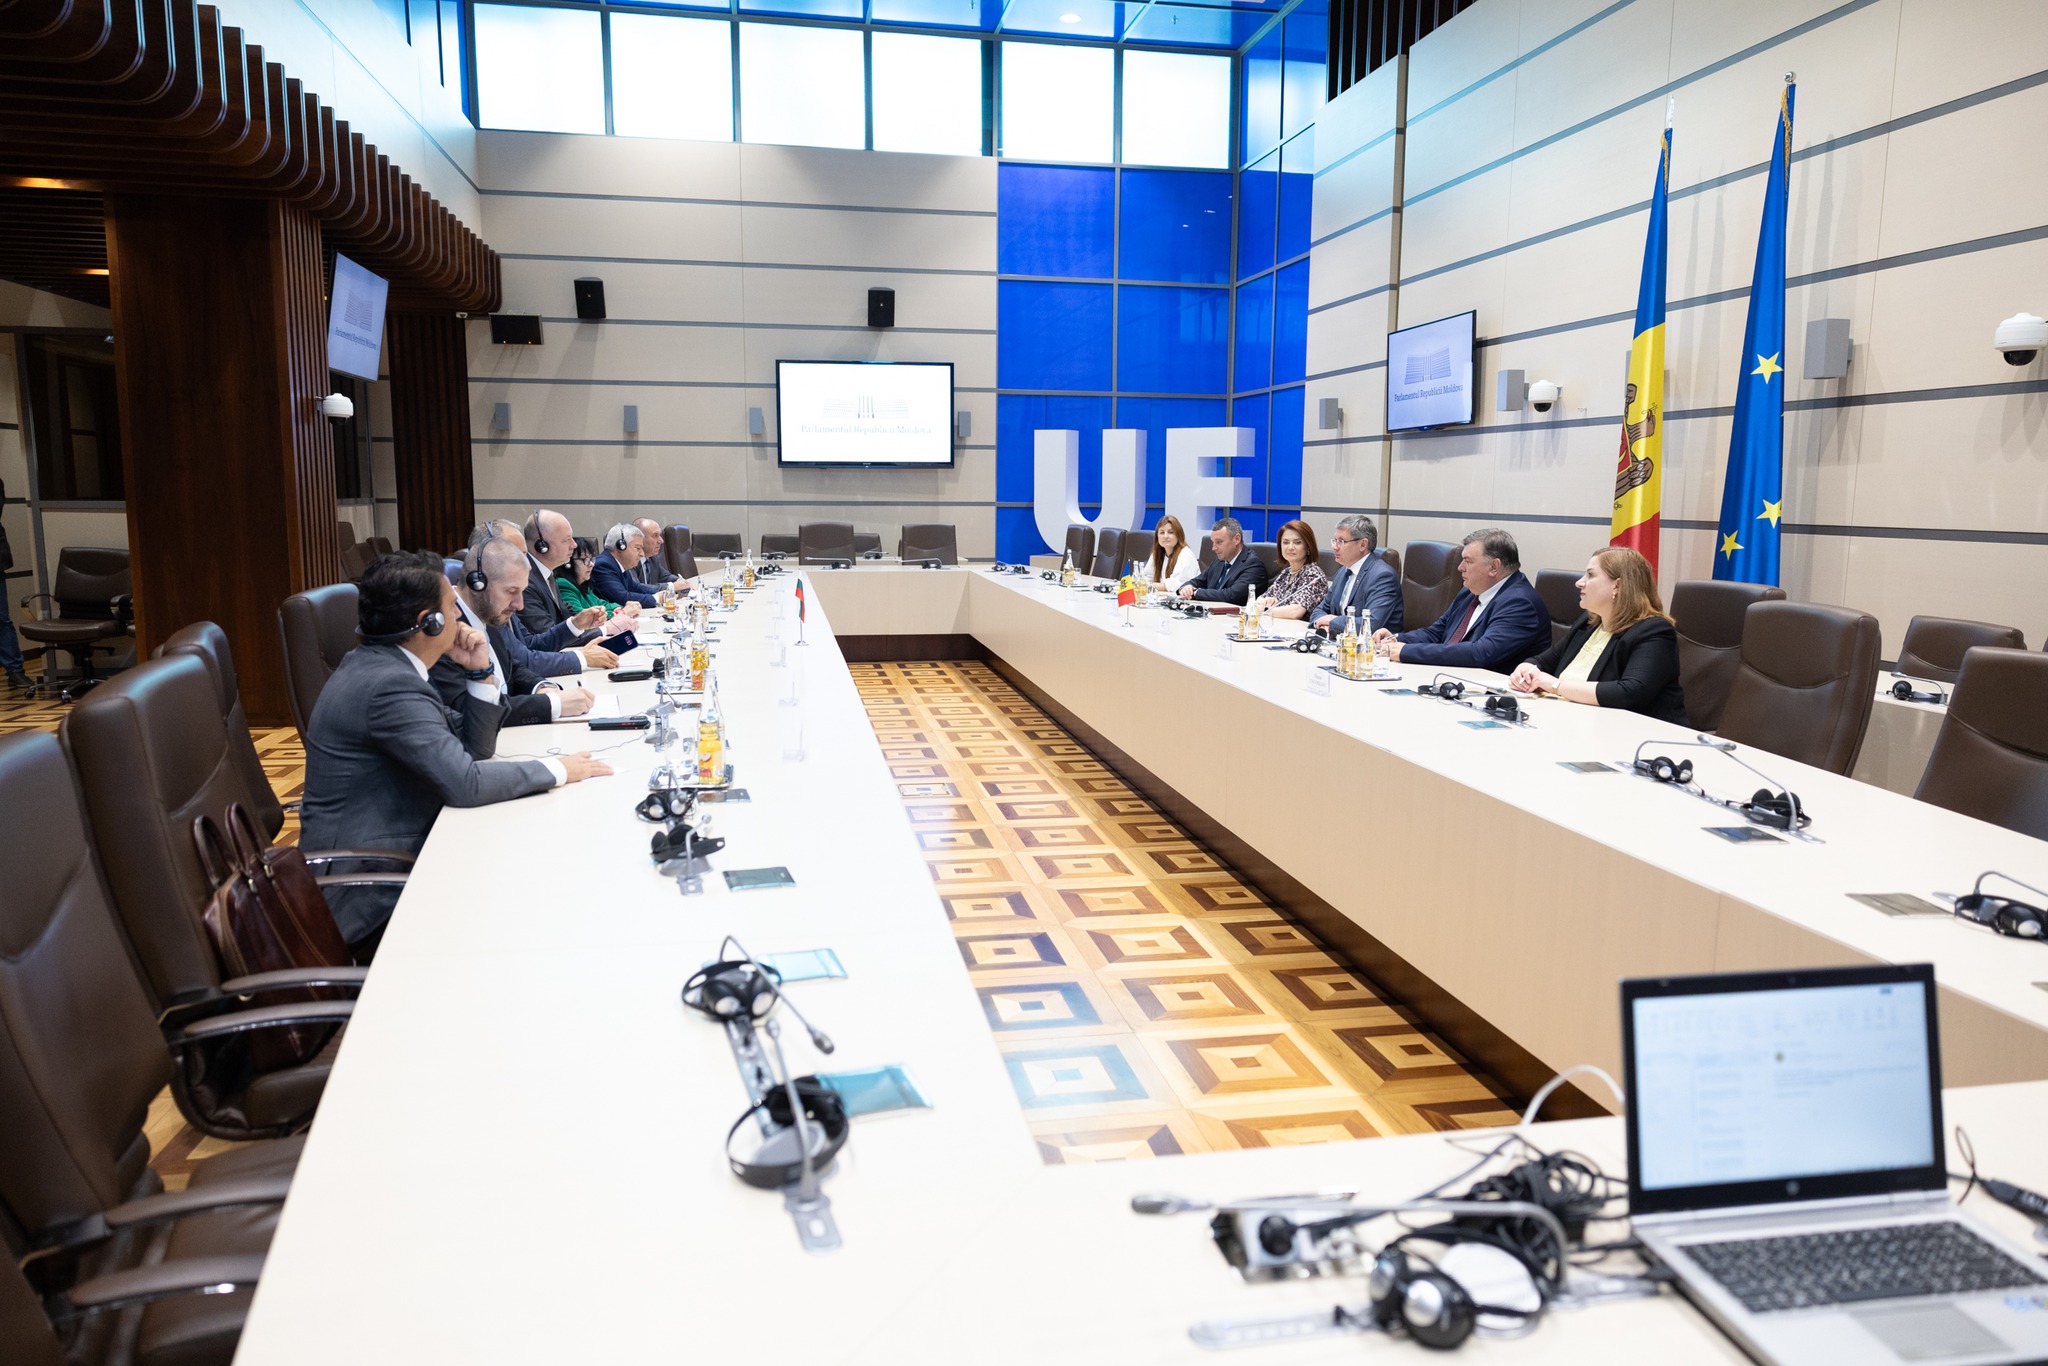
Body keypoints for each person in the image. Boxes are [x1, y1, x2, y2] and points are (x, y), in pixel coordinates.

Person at [300, 550, 611, 958]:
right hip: (371, 894)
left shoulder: (387, 668)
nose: (460, 616)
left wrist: (479, 672)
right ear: (428, 622)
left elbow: (474, 748)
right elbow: (465, 783)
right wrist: (560, 769)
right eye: (451, 607)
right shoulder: (389, 686)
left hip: (400, 859)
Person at [1508, 547, 1687, 724]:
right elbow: (1542, 661)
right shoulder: (1588, 623)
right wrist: (1525, 670)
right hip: (1572, 722)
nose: (1579, 583)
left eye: (1590, 575)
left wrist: (1555, 686)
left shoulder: (1654, 631)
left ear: (1617, 585)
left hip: (1635, 732)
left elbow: (1629, 692)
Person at [431, 539, 595, 727]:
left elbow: (512, 668)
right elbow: (468, 709)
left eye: (522, 592)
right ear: (477, 584)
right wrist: (552, 704)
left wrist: (542, 687)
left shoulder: (488, 614)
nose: (520, 605)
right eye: (511, 591)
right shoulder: (443, 631)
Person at [1375, 527, 1550, 672]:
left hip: (1495, 694)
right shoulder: (1469, 592)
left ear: (1494, 566)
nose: (1460, 568)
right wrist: (1395, 639)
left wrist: (1406, 651)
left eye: (1467, 561)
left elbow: (1480, 653)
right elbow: (1436, 633)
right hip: (1455, 680)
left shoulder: (1520, 603)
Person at [472, 522, 619, 679]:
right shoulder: (490, 604)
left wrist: (575, 624)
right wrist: (581, 658)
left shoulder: (506, 594)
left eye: (525, 555)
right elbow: (523, 661)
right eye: (518, 556)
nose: (527, 563)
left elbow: (531, 644)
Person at [1312, 515, 1402, 635]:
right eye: (1334, 540)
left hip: (1376, 645)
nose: (1334, 547)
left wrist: (1332, 622)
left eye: (1341, 541)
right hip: (1340, 641)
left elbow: (1371, 624)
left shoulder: (1383, 576)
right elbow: (1319, 610)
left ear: (1363, 544)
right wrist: (1323, 625)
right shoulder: (1342, 572)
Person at [1177, 517, 1271, 604]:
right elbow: (1198, 581)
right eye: (1213, 542)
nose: (1213, 548)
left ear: (1237, 539)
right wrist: (1186, 588)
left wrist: (1196, 592)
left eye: (1219, 542)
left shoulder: (1253, 565)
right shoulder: (1220, 560)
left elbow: (1231, 595)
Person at [591, 524, 676, 610]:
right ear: (621, 546)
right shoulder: (603, 565)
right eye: (638, 548)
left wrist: (665, 593)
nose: (642, 554)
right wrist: (656, 598)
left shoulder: (618, 564)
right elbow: (622, 598)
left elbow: (636, 588)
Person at [1257, 520, 1330, 621]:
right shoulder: (1286, 573)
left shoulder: (1314, 575)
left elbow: (1295, 612)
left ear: (1308, 547)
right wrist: (1267, 601)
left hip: (1301, 629)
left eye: (1297, 542)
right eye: (1285, 542)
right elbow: (1258, 601)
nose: (1290, 547)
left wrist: (1265, 609)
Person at [1135, 515, 1200, 593]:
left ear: (1179, 535)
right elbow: (1147, 578)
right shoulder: (1157, 554)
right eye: (1162, 532)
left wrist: (1151, 586)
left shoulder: (1186, 555)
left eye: (1170, 532)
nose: (1165, 536)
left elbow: (1179, 585)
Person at [556, 537, 613, 616]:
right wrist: (615, 613)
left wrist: (617, 609)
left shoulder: (583, 585)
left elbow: (603, 604)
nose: (591, 564)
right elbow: (581, 617)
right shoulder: (564, 584)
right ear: (568, 562)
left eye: (591, 559)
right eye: (584, 559)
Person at [632, 518, 674, 586]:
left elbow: (665, 577)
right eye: (655, 535)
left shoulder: (652, 558)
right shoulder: (630, 561)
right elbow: (638, 588)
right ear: (639, 538)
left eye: (660, 535)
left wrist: (682, 582)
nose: (661, 541)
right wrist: (672, 586)